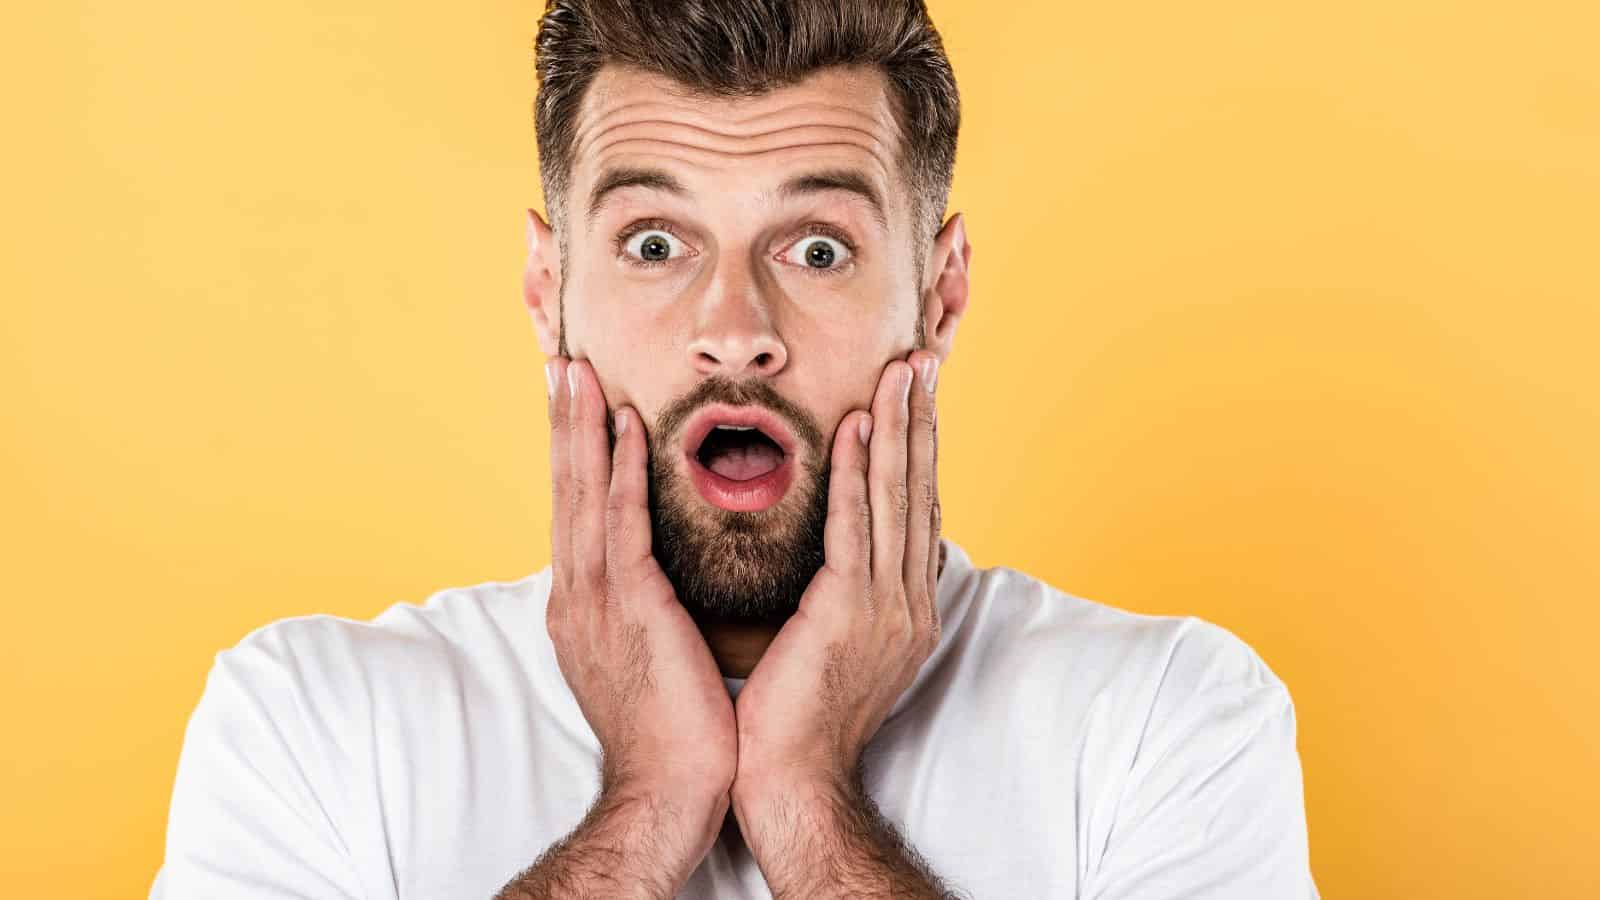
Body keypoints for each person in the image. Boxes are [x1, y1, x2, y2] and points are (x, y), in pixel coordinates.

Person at [150, 2, 1319, 897]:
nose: (734, 330)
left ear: (939, 295)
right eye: (655, 243)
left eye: (817, 249)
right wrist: (649, 804)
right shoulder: (311, 723)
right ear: (549, 290)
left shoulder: (1165, 721)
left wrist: (808, 800)